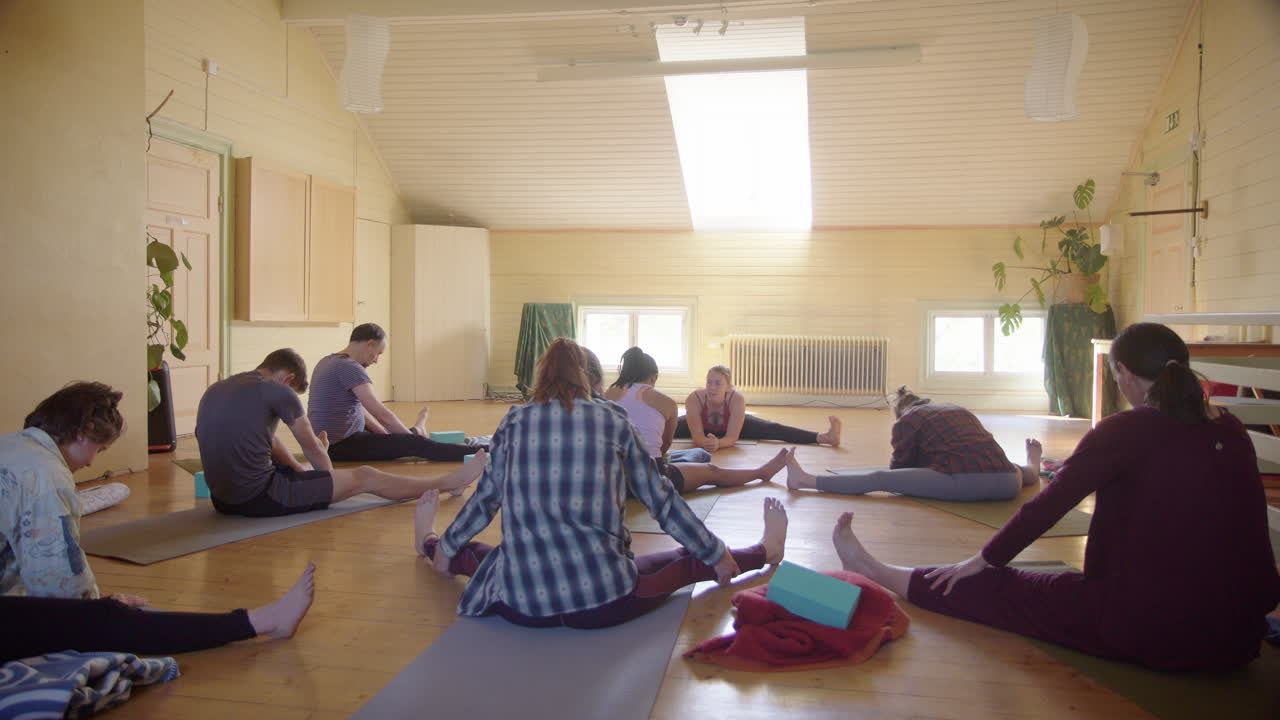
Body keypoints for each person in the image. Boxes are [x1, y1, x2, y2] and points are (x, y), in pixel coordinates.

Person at [827, 323, 1280, 672]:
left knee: (990, 585)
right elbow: (1253, 533)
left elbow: (1048, 507)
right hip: (1236, 641)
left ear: (1123, 373)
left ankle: (875, 570)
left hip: (1144, 630)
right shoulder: (1231, 429)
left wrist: (983, 560)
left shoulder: (1125, 430)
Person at [415, 338, 789, 629]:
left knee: (485, 557)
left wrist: (447, 547)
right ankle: (764, 552)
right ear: (591, 381)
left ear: (542, 377)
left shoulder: (514, 420)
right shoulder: (612, 418)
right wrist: (713, 552)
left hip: (521, 605)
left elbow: (485, 500)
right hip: (601, 600)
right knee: (684, 561)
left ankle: (429, 543)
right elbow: (659, 497)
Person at [0, 382, 317, 659]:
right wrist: (100, 608)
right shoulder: (46, 476)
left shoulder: (10, 446)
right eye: (99, 447)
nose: (93, 460)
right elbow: (63, 593)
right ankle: (261, 621)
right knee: (110, 619)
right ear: (82, 432)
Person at [196, 348, 485, 518]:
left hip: (222, 500)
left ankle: (300, 479)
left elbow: (265, 440)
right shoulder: (277, 391)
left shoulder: (217, 388)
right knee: (366, 476)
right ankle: (448, 482)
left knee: (306, 468)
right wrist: (326, 478)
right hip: (258, 498)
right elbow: (312, 448)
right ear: (289, 379)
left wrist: (299, 471)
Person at [783, 386, 1041, 501]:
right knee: (1008, 465)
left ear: (901, 412)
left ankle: (805, 480)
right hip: (1010, 481)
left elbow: (897, 471)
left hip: (966, 481)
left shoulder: (908, 420)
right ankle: (1032, 467)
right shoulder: (955, 408)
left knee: (879, 478)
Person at [604, 347, 788, 493]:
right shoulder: (666, 403)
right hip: (650, 478)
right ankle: (760, 473)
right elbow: (664, 447)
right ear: (653, 377)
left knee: (693, 456)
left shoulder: (607, 395)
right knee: (712, 472)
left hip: (611, 476)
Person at [308, 323, 482, 463]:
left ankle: (417, 431)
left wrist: (388, 438)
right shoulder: (350, 367)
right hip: (341, 446)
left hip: (327, 444)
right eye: (378, 353)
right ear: (370, 344)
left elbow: (361, 410)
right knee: (419, 445)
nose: (376, 360)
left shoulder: (327, 361)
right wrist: (411, 442)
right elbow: (382, 414)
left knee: (402, 439)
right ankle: (483, 450)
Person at [675, 365, 841, 451]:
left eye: (718, 383)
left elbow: (732, 438)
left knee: (774, 429)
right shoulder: (695, 399)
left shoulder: (736, 399)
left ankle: (826, 437)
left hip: (736, 426)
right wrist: (706, 443)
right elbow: (697, 437)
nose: (712, 387)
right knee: (668, 426)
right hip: (702, 427)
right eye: (709, 382)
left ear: (728, 387)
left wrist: (719, 443)